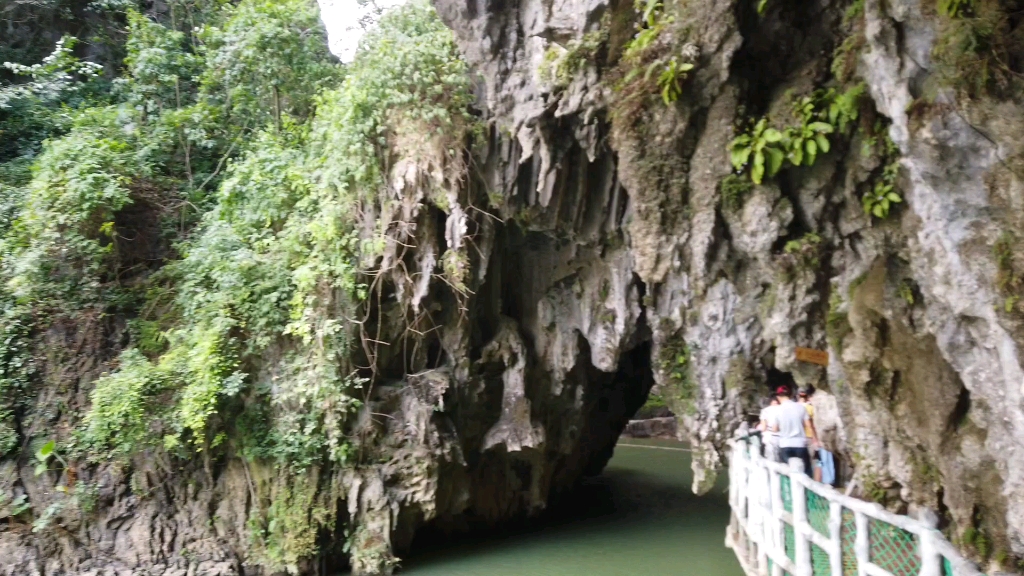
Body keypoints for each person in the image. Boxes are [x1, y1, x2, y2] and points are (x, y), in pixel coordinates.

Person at [770, 385, 819, 475]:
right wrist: (815, 441)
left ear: (778, 397)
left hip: (785, 444)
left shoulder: (777, 410)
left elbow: (775, 429)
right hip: (800, 444)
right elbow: (809, 426)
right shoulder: (801, 408)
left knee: (787, 473)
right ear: (791, 395)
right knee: (805, 472)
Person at [798, 386, 821, 481]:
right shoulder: (811, 408)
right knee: (813, 460)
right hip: (810, 437)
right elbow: (812, 425)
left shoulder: (795, 407)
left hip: (799, 437)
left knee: (800, 461)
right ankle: (813, 481)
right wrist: (816, 439)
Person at [757, 395, 780, 462]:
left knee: (771, 461)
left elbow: (763, 427)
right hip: (784, 439)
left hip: (770, 438)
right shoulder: (784, 409)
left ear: (770, 402)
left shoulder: (765, 411)